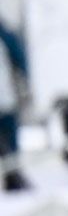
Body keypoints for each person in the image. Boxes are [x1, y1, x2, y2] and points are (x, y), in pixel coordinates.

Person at [0, 13, 28, 193]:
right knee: (8, 143)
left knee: (9, 144)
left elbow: (19, 60)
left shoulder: (4, 35)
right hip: (6, 99)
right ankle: (14, 177)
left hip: (5, 99)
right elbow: (20, 61)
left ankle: (14, 178)